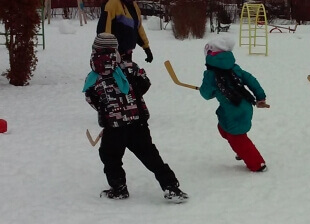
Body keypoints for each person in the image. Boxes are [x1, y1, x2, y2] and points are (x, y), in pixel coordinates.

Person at [83, 33, 188, 203]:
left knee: (110, 157)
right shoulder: (129, 67)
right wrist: (133, 99)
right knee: (150, 155)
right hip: (137, 122)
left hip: (113, 127)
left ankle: (119, 188)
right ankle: (171, 187)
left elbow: (91, 98)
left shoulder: (93, 76)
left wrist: (109, 110)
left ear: (95, 50)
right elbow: (145, 82)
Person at [199, 36, 270, 172]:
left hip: (234, 111)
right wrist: (260, 96)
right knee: (223, 129)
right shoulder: (235, 68)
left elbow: (206, 94)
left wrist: (209, 88)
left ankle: (258, 164)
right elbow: (251, 80)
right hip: (242, 107)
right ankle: (241, 150)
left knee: (237, 137)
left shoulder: (210, 74)